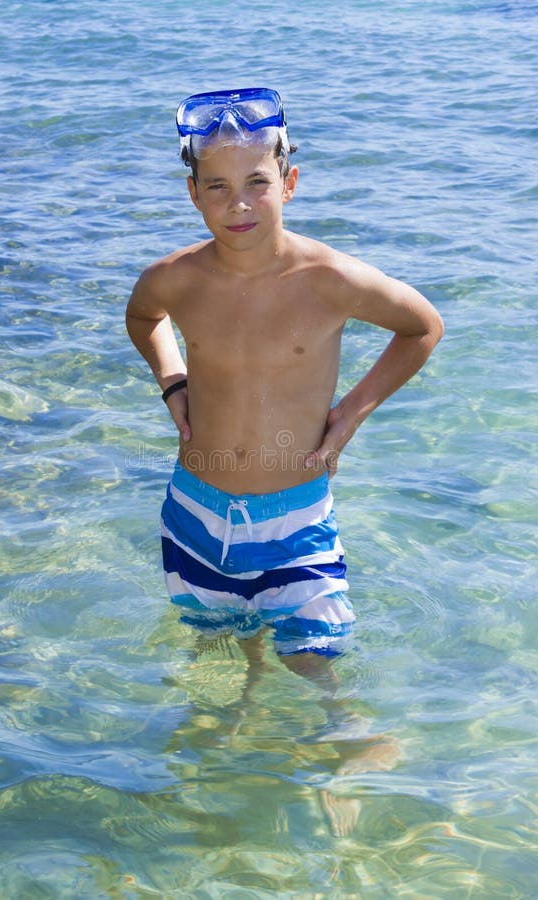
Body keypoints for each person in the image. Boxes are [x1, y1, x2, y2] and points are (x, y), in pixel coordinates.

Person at [126, 87, 444, 660]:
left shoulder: (330, 280)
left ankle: (340, 738)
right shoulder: (174, 279)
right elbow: (143, 317)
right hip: (195, 512)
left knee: (319, 667)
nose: (238, 204)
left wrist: (348, 416)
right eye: (218, 186)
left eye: (257, 183)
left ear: (289, 183)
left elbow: (422, 328)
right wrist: (172, 382)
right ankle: (234, 725)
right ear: (193, 193)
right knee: (218, 656)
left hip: (295, 518)